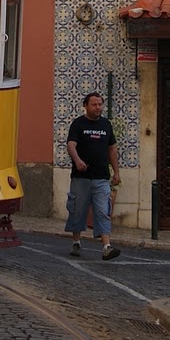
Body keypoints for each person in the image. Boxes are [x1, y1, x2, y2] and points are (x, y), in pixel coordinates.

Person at [65, 92, 121, 260]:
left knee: (103, 211)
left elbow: (112, 149)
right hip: (81, 177)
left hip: (101, 177)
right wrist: (77, 161)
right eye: (94, 105)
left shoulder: (106, 125)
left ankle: (106, 247)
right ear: (86, 106)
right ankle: (76, 242)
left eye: (100, 104)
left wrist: (116, 172)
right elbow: (71, 145)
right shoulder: (78, 124)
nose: (98, 108)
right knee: (77, 210)